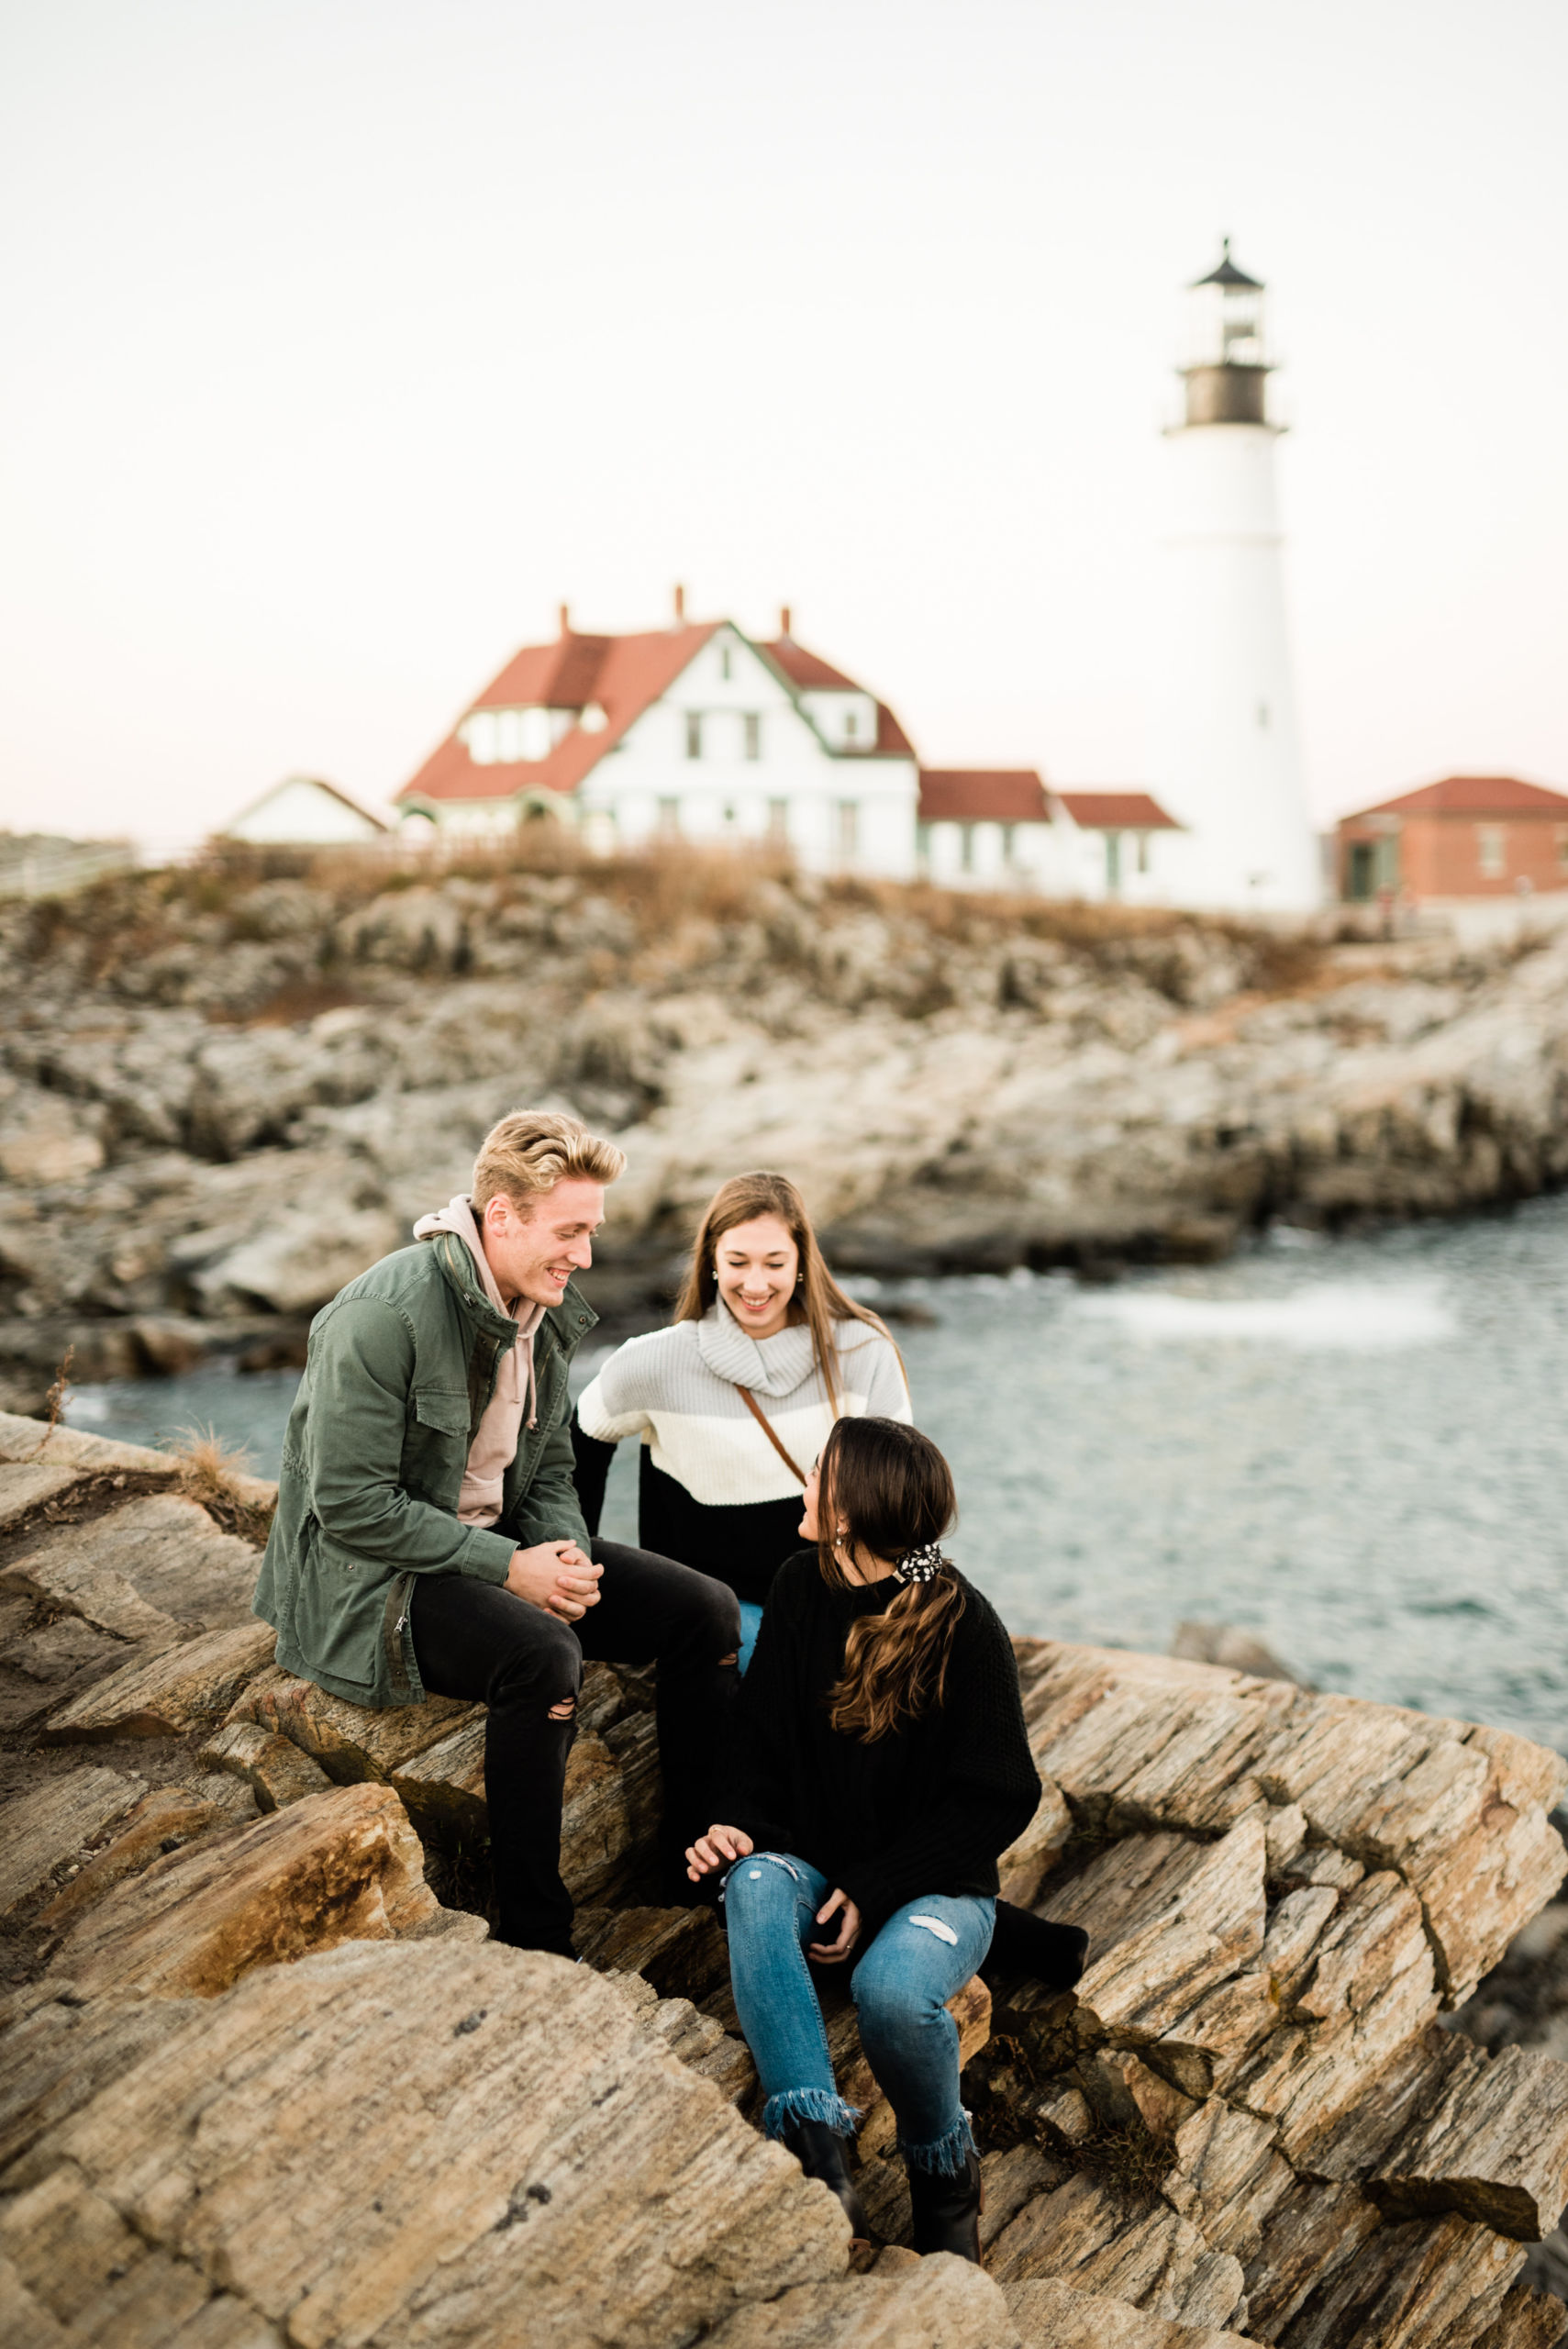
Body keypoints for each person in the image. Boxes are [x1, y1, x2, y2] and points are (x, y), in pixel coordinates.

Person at [254, 1108, 741, 1959]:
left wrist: (567, 1558)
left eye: (590, 1232)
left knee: (705, 1611)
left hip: (493, 1550)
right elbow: (350, 1505)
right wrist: (509, 1568)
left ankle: (694, 1874)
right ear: (501, 1215)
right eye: (569, 1231)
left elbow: (551, 1467)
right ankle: (536, 1936)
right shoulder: (380, 1316)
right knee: (541, 1659)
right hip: (374, 1579)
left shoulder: (542, 1310)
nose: (584, 1256)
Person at [685, 1417, 1042, 2262]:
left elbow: (1002, 1797)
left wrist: (878, 1886)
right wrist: (732, 1825)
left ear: (847, 1511)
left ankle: (943, 2175)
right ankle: (820, 2156)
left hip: (941, 1885)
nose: (803, 1485)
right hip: (814, 1860)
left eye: (817, 1473)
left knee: (890, 1993)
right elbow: (756, 1741)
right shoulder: (798, 1585)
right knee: (756, 1886)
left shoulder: (963, 1622)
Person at [572, 1170, 909, 1669]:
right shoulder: (654, 1361)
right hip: (717, 1613)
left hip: (841, 1601)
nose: (756, 1284)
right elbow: (577, 1452)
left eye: (775, 1262)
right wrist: (578, 1582)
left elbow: (900, 1495)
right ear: (710, 1261)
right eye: (737, 1261)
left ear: (801, 1264)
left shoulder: (863, 1350)